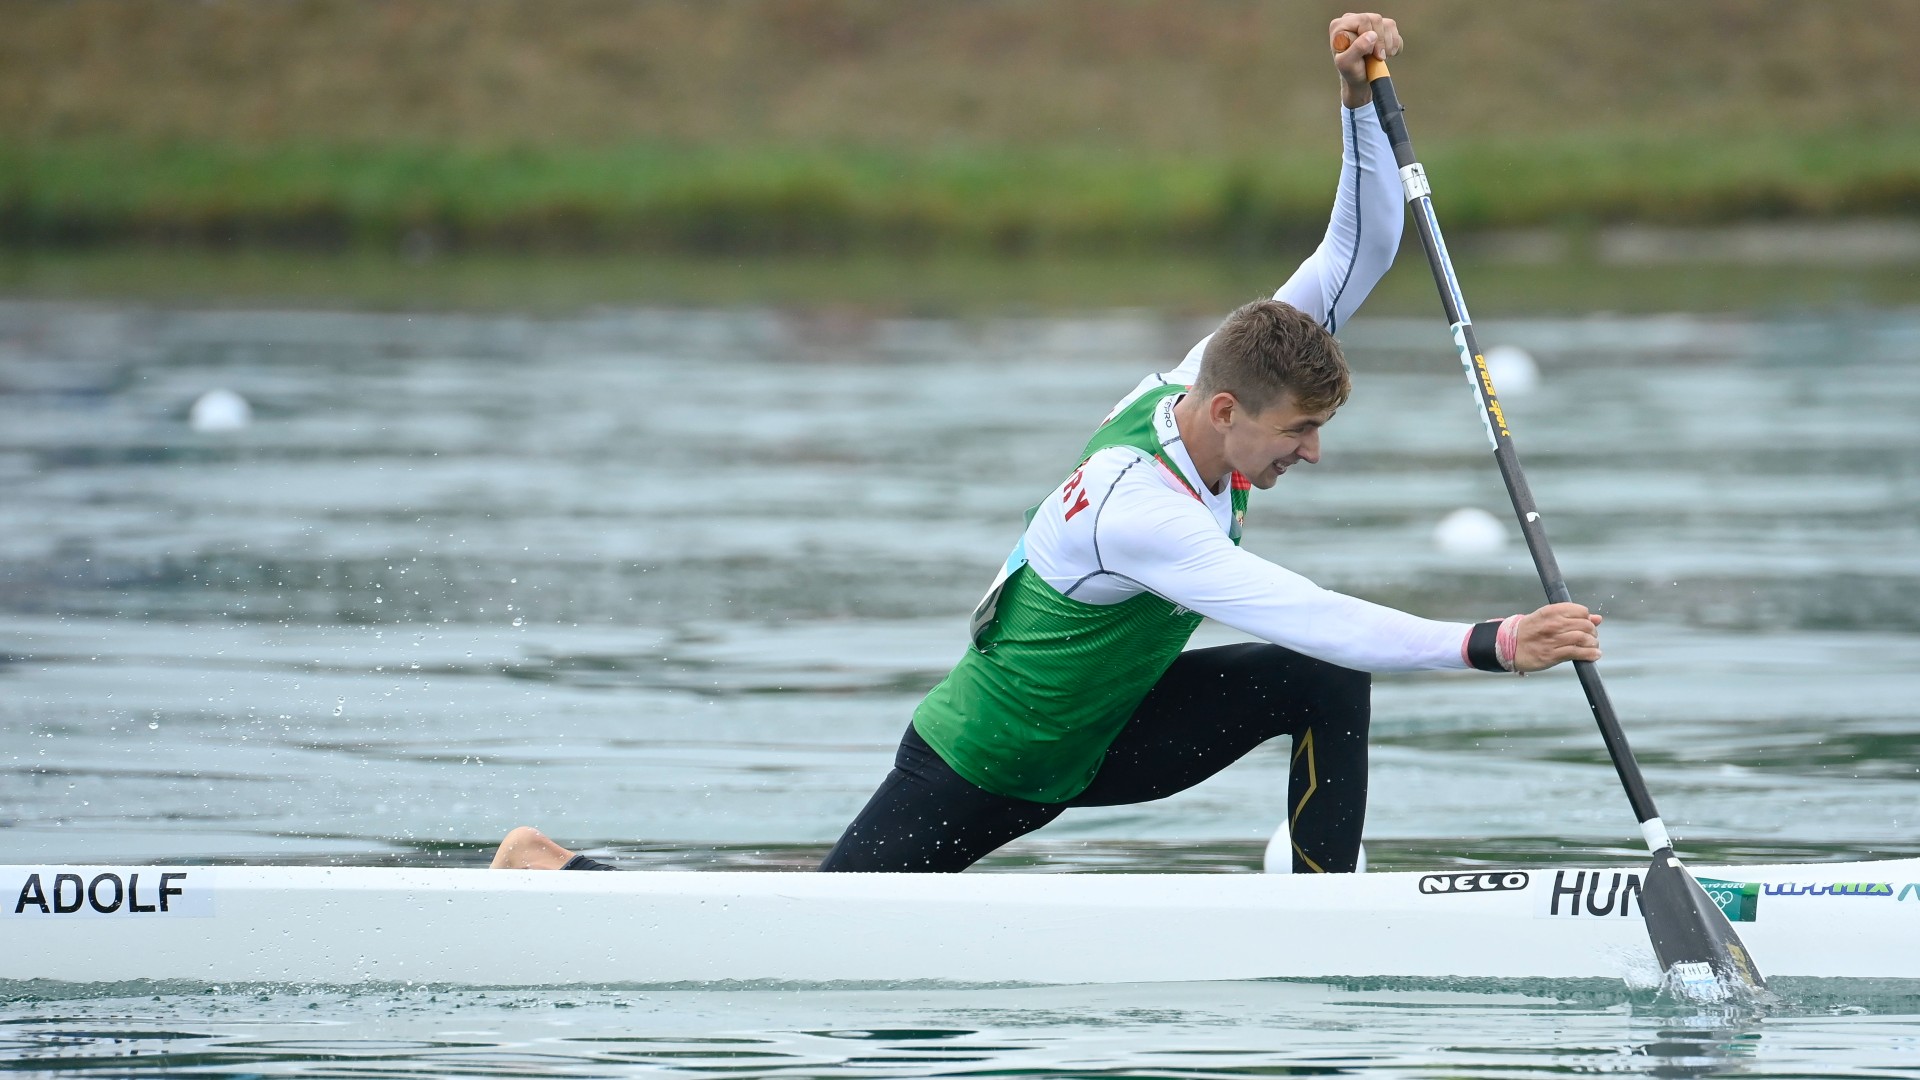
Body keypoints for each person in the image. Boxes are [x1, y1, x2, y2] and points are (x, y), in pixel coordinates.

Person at [491, 11, 1602, 876]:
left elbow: (1359, 250)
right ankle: (552, 870)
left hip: (1106, 732)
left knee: (1320, 686)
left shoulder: (1200, 379)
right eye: (1299, 434)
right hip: (992, 762)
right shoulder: (1145, 510)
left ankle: (1324, 905)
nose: (1309, 453)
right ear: (1228, 415)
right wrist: (1492, 642)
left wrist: (1357, 97)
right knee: (815, 926)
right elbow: (1308, 610)